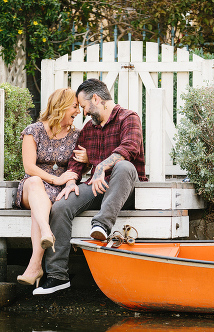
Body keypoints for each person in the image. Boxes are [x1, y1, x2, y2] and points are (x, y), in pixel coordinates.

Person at [34, 78, 147, 295]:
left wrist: (99, 166)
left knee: (123, 166)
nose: (84, 113)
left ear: (96, 99)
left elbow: (129, 148)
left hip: (126, 189)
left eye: (84, 107)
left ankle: (102, 226)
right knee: (61, 206)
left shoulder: (128, 118)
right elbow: (77, 161)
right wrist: (69, 182)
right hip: (98, 187)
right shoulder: (89, 128)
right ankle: (57, 276)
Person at [14, 88, 85, 287]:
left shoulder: (77, 136)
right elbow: (29, 167)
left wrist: (72, 178)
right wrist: (56, 180)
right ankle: (46, 231)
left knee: (41, 209)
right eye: (75, 106)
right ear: (61, 106)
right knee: (36, 183)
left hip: (56, 192)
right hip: (32, 187)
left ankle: (35, 266)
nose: (78, 111)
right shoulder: (33, 130)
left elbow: (75, 168)